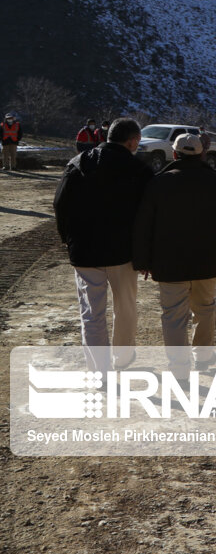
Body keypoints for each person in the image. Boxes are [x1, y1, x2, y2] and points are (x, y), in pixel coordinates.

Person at [133, 133, 216, 370]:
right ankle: (203, 358)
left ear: (175, 154)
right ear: (202, 154)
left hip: (168, 263)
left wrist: (142, 260)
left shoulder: (158, 183)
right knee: (205, 309)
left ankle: (179, 366)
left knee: (173, 315)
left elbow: (143, 225)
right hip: (207, 261)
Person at [53, 118, 153, 374]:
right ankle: (122, 359)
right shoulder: (140, 170)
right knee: (126, 308)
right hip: (124, 253)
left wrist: (68, 239)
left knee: (91, 313)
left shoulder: (78, 164)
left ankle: (99, 369)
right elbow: (150, 215)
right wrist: (147, 252)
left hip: (85, 252)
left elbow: (60, 204)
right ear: (132, 141)